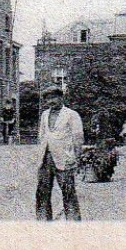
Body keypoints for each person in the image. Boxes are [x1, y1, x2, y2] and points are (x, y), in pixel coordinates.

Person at [35, 85, 84, 221]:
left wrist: (76, 159)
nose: (51, 101)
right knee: (42, 192)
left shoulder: (71, 115)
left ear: (61, 98)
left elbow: (78, 138)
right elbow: (42, 135)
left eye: (54, 98)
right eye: (48, 99)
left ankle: (74, 224)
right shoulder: (45, 115)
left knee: (68, 193)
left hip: (64, 159)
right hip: (45, 158)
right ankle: (43, 222)